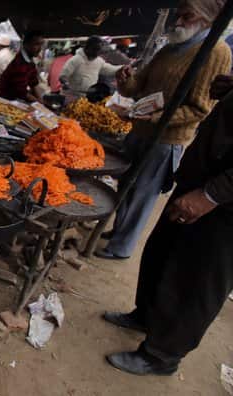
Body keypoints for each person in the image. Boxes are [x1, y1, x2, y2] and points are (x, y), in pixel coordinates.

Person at [103, 71, 233, 376]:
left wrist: (211, 195)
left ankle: (161, 356)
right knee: (161, 253)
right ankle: (146, 316)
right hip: (199, 180)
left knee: (195, 281)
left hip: (222, 205)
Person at [96, 0, 232, 260]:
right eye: (178, 15)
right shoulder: (171, 46)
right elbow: (138, 88)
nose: (178, 21)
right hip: (140, 131)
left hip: (165, 140)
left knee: (142, 194)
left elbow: (200, 109)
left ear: (205, 18)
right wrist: (126, 82)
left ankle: (121, 247)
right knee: (125, 185)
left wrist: (157, 117)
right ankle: (117, 231)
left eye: (186, 15)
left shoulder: (216, 51)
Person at [0, 30, 45, 102]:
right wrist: (39, 103)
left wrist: (41, 100)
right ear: (26, 45)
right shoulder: (19, 63)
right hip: (4, 101)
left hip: (15, 100)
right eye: (36, 44)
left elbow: (33, 82)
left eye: (41, 44)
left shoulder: (30, 62)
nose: (40, 48)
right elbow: (22, 92)